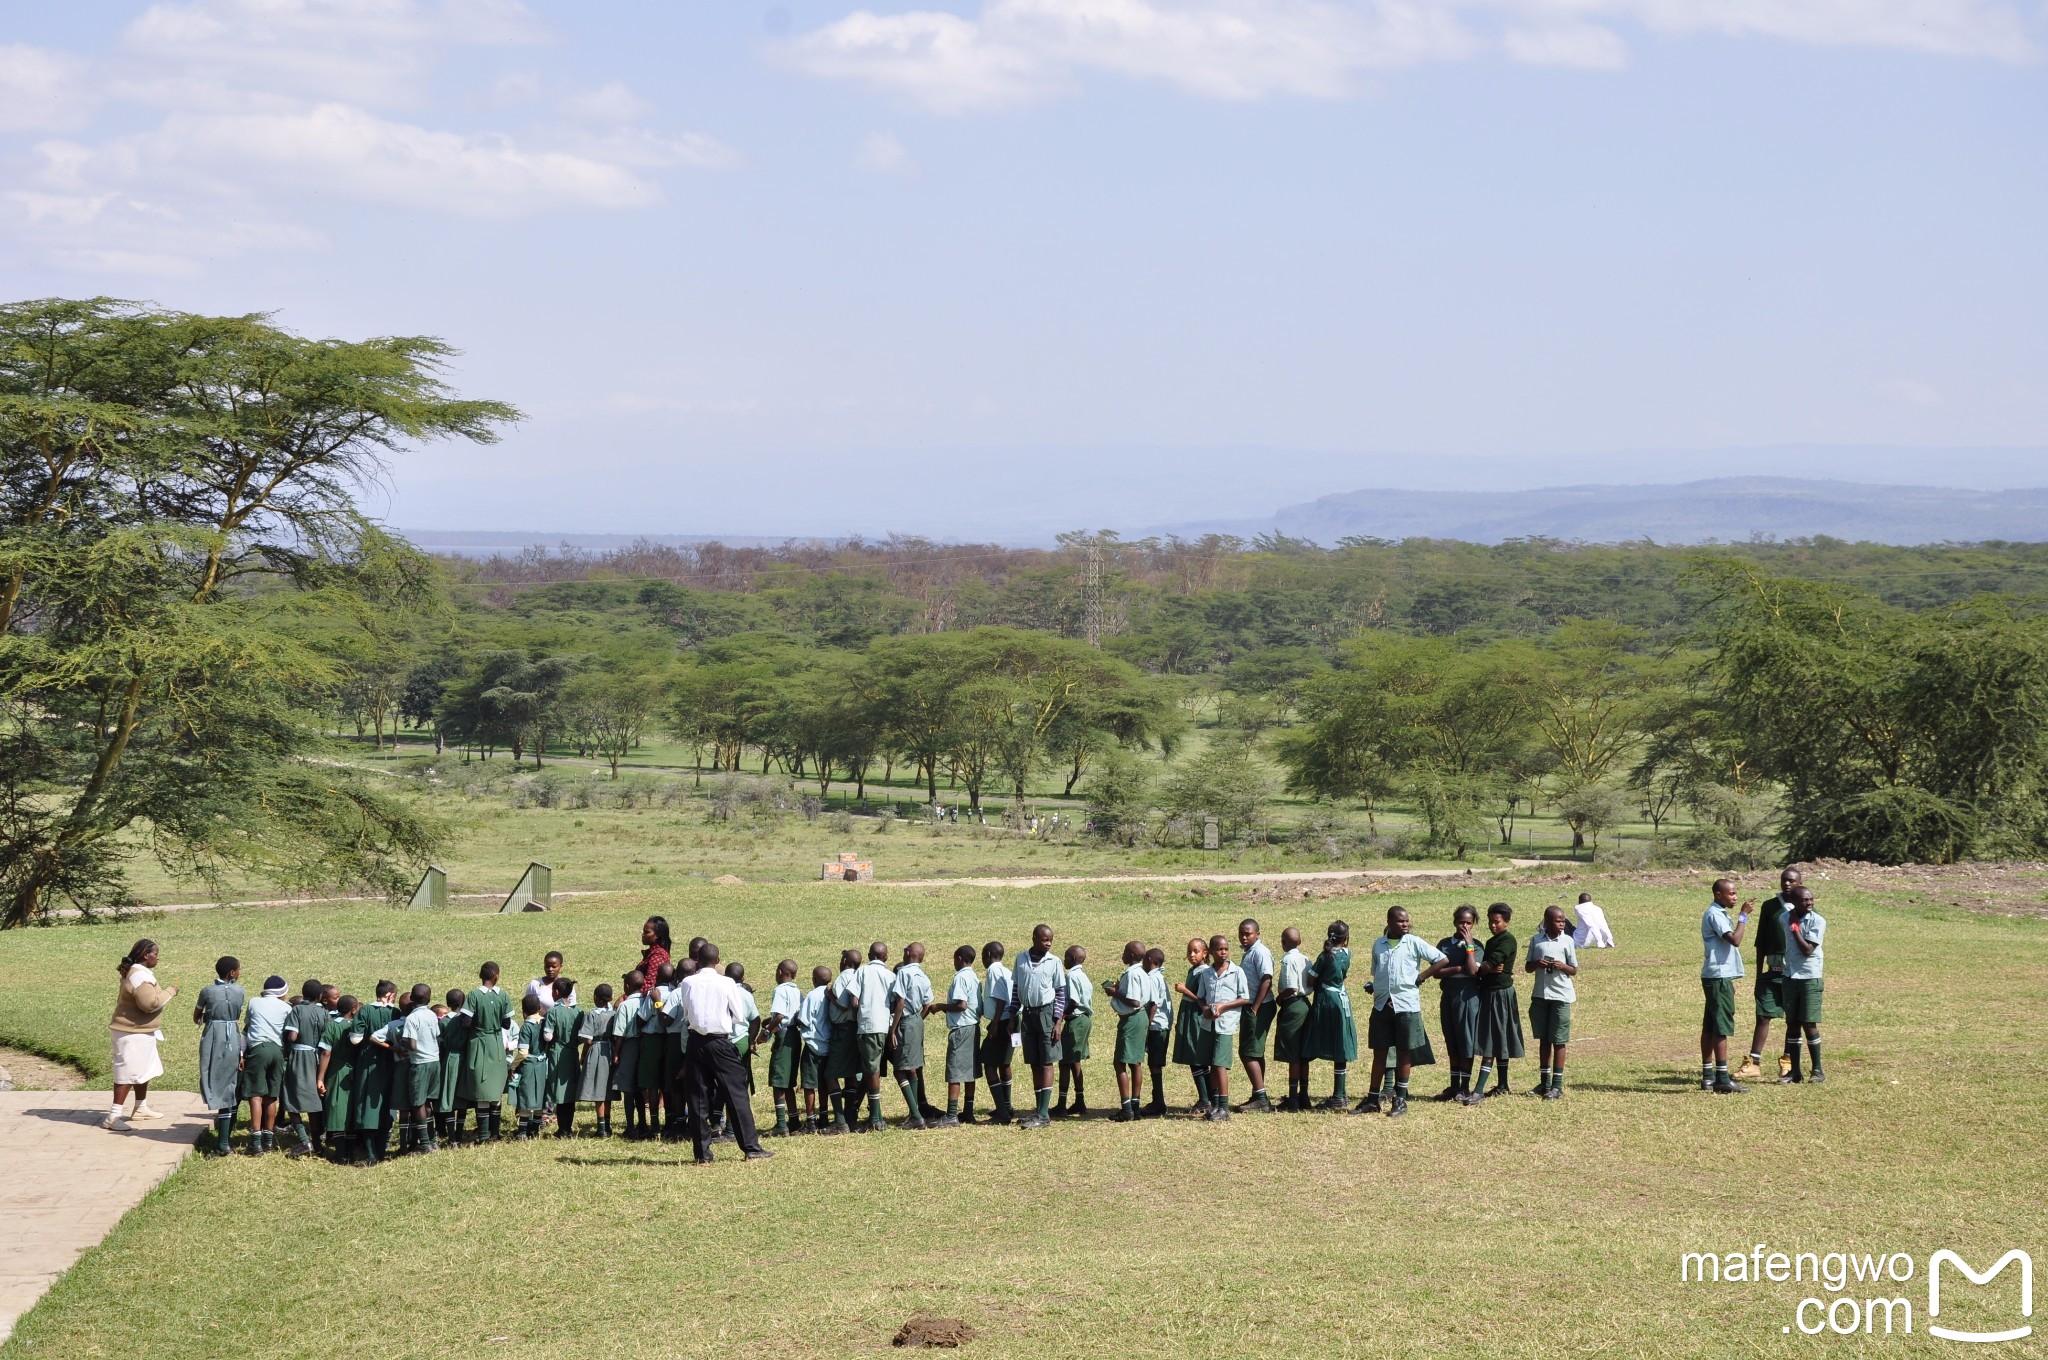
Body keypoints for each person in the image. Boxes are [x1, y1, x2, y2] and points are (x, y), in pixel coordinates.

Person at [679, 942, 773, 1164]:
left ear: (697, 961)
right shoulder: (727, 982)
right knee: (736, 1094)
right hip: (720, 1042)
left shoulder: (687, 982)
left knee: (698, 1098)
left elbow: (686, 1013)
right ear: (718, 960)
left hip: (695, 1042)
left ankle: (702, 1155)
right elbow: (739, 1016)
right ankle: (751, 1148)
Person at [1362, 907, 1446, 1117]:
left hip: (1406, 1005)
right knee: (1379, 1052)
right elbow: (1378, 973)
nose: (1405, 924)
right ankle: (1372, 1099)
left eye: (1407, 921)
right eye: (1401, 921)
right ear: (1389, 922)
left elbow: (1442, 959)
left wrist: (1422, 976)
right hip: (1382, 1005)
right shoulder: (1378, 945)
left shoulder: (1414, 942)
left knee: (1404, 1052)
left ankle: (1400, 1099)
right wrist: (1375, 988)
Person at [1737, 867, 1801, 1082]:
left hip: (1794, 973)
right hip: (1771, 970)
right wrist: (1758, 974)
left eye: (1792, 881)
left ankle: (1787, 1062)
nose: (1787, 884)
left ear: (1800, 883)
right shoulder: (1770, 907)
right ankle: (1754, 1063)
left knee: (1793, 1019)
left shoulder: (1805, 906)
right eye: (1784, 880)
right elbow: (1761, 942)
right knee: (1763, 1015)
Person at [108, 939, 176, 1130]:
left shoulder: (139, 973)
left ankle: (140, 1107)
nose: (158, 958)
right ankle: (113, 1116)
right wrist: (171, 991)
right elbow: (150, 1004)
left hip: (139, 1032)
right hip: (131, 1033)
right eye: (156, 953)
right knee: (127, 1073)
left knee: (143, 1071)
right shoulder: (140, 977)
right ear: (146, 955)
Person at [1465, 903, 1525, 1104]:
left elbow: (1493, 963)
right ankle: (1502, 1085)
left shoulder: (1507, 940)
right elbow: (1489, 965)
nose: (1492, 925)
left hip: (1500, 995)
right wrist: (1487, 968)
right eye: (1490, 921)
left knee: (1491, 1040)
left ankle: (1479, 1090)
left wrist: (1482, 967)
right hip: (1490, 992)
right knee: (1499, 1037)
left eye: (1497, 921)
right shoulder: (1492, 941)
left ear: (1506, 922)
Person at [1010, 924, 1067, 1129]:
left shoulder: (1054, 961)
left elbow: (1061, 993)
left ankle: (1044, 1114)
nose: (1049, 943)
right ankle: (1038, 1109)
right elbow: (1016, 990)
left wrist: (1058, 1021)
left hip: (1047, 1014)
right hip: (1028, 1014)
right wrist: (1011, 1015)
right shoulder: (1021, 959)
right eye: (1044, 940)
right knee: (1034, 1061)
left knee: (1046, 1062)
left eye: (1051, 940)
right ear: (1034, 938)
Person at [1700, 878, 1753, 1094]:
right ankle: (1722, 1078)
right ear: (1718, 894)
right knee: (1720, 1026)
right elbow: (1735, 940)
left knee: (1711, 1025)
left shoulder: (1719, 913)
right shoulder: (1714, 914)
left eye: (1736, 893)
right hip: (1718, 976)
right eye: (1731, 893)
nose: (1735, 897)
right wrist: (1743, 916)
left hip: (1718, 976)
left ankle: (1708, 1076)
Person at [1524, 906, 1580, 1101]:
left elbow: (1574, 969)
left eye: (1563, 921)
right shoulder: (1536, 940)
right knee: (1544, 1039)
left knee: (1559, 1039)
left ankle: (1557, 1085)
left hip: (1561, 996)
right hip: (1540, 995)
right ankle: (1544, 1082)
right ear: (1547, 921)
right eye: (1558, 921)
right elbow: (1527, 967)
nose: (1562, 924)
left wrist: (1562, 966)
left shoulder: (1567, 941)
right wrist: (1538, 963)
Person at [193, 957, 246, 1157]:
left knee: (212, 1078)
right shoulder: (239, 991)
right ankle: (226, 1135)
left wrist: (210, 1016)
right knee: (229, 1082)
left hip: (212, 1036)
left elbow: (196, 1016)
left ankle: (223, 1142)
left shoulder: (207, 991)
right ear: (232, 973)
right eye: (238, 970)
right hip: (231, 1034)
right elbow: (237, 1014)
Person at [1303, 921, 1357, 1111]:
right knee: (1340, 1042)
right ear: (1346, 938)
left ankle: (1334, 1096)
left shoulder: (1325, 956)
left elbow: (1311, 978)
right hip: (1342, 999)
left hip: (1327, 1000)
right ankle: (1340, 1093)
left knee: (1317, 1039)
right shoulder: (1347, 954)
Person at [459, 961, 515, 1141]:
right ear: (496, 975)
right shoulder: (503, 995)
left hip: (479, 1044)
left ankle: (483, 1134)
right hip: (496, 1044)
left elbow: (465, 1022)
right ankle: (495, 1133)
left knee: (481, 1089)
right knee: (495, 1089)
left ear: (481, 976)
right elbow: (506, 1023)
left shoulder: (474, 995)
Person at [1199, 935, 1252, 1122]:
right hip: (1209, 1024)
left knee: (1220, 1065)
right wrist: (1205, 1009)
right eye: (1219, 949)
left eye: (1226, 949)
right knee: (1213, 1064)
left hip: (1226, 1024)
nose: (1224, 952)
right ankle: (1215, 1104)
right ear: (1211, 952)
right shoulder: (1206, 974)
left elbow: (1244, 998)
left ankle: (1224, 1107)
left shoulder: (1236, 972)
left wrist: (1223, 1007)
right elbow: (1201, 997)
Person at [847, 942, 898, 1132]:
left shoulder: (861, 972)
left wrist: (859, 1015)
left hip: (868, 1026)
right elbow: (895, 1002)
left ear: (869, 955)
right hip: (885, 1026)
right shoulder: (890, 976)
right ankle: (870, 1112)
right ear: (886, 957)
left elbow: (854, 1000)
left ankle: (876, 1117)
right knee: (871, 1068)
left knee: (871, 1070)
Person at [1434, 907, 1483, 1102]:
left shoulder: (1477, 946)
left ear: (1473, 924)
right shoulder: (1445, 944)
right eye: (1461, 922)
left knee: (1466, 1040)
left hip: (1468, 997)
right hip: (1449, 996)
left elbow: (1472, 971)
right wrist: (1457, 968)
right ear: (1454, 922)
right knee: (1451, 1040)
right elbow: (1436, 972)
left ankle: (1465, 1086)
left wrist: (1469, 946)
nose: (1464, 926)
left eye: (1469, 923)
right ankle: (1454, 1085)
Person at [239, 975, 292, 1154]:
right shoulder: (286, 1008)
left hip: (258, 1050)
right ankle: (268, 1141)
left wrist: (241, 1054)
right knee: (271, 1096)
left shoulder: (254, 1002)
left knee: (256, 1095)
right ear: (281, 993)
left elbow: (247, 1027)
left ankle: (256, 1141)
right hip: (277, 1051)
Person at [1781, 886, 1827, 1083]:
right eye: (1804, 900)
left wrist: (1795, 928)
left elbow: (1807, 950)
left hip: (1810, 977)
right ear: (1794, 901)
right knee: (1792, 1024)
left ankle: (1817, 1070)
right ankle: (1795, 1071)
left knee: (1809, 1023)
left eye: (1811, 899)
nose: (1809, 903)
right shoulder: (1784, 918)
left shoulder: (1818, 921)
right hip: (1790, 975)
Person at [350, 981, 399, 1162]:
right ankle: (381, 1151)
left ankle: (371, 1154)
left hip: (368, 1062)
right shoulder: (395, 1012)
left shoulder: (365, 1011)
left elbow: (355, 1039)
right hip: (390, 1062)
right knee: (386, 1104)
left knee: (367, 1105)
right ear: (389, 995)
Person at [932, 944, 981, 1126]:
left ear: (959, 958)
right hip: (973, 1026)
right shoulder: (974, 977)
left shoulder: (961, 978)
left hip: (962, 1029)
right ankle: (968, 1111)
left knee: (955, 1072)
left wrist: (940, 1007)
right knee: (969, 1072)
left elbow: (961, 1005)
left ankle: (952, 1115)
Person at [281, 978, 329, 1158]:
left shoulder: (298, 1010)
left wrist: (287, 1039)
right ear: (320, 996)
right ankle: (317, 1143)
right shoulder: (324, 1013)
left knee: (291, 1100)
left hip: (299, 1058)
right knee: (314, 1103)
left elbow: (292, 1036)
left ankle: (303, 1141)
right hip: (318, 1058)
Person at [393, 982, 443, 1152]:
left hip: (420, 1063)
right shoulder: (431, 1015)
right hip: (434, 1062)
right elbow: (436, 1034)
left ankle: (424, 1143)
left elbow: (412, 1045)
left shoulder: (411, 1018)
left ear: (412, 999)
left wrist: (401, 1041)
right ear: (429, 998)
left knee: (417, 1103)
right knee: (428, 1101)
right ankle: (431, 1139)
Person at [1105, 941, 1151, 1122]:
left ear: (1131, 955)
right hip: (1141, 1018)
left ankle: (1127, 1109)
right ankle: (1135, 1105)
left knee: (1120, 1062)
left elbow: (1134, 1002)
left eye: (1125, 951)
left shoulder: (1132, 974)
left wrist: (1114, 992)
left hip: (1132, 1019)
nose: (1122, 954)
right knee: (1136, 1062)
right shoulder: (1142, 972)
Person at [1234, 919, 1276, 1113]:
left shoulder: (1260, 952)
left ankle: (1261, 1099)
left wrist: (1255, 1008)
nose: (1244, 936)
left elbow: (1266, 978)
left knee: (1248, 1052)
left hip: (1260, 1006)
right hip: (1254, 1006)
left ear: (1258, 934)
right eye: (1241, 933)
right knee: (1255, 1052)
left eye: (1248, 933)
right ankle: (1258, 1093)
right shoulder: (1250, 952)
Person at [891, 943, 934, 1130]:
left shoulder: (903, 972)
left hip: (906, 1021)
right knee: (913, 1068)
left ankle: (916, 1116)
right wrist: (918, 1019)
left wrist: (893, 1029)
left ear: (908, 953)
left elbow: (900, 1002)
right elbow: (927, 1004)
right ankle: (914, 1112)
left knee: (899, 1069)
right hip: (917, 1020)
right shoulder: (923, 976)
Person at [1172, 936, 1215, 1115]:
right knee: (1195, 1059)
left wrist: (1185, 991)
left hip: (1196, 1019)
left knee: (1197, 1058)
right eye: (1189, 951)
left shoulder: (1204, 972)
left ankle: (1206, 1099)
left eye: (1196, 951)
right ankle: (1207, 1098)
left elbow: (1201, 999)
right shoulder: (1194, 970)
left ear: (1205, 953)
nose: (1191, 954)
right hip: (1188, 1016)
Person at [315, 995, 360, 1162]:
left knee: (337, 1109)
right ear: (354, 1009)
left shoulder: (333, 1026)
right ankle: (351, 1153)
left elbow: (326, 1052)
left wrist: (320, 1078)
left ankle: (340, 1154)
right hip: (356, 1070)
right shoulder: (358, 1026)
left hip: (337, 1071)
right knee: (351, 1109)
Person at [571, 982, 618, 1138]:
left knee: (598, 1091)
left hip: (597, 1050)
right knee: (607, 1090)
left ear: (596, 998)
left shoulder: (592, 1014)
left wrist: (583, 1055)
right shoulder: (614, 1013)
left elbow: (588, 1039)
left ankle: (601, 1128)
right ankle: (608, 1125)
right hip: (610, 1050)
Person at [1272, 927, 1312, 1110]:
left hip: (1293, 1005)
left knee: (1293, 1054)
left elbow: (1289, 987)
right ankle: (1304, 1096)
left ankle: (1294, 1098)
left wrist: (1279, 999)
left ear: (1283, 942)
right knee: (1303, 1054)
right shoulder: (1306, 959)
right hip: (1305, 1004)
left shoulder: (1288, 960)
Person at [763, 960, 803, 1136]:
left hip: (784, 1035)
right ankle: (793, 1120)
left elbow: (780, 1015)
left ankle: (781, 1124)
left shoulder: (780, 990)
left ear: (780, 972)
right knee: (789, 1080)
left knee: (779, 1079)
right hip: (795, 1035)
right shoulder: (798, 992)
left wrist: (766, 1032)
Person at [825, 948, 863, 1132]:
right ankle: (850, 1117)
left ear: (846, 960)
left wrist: (829, 994)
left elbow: (843, 1004)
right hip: (855, 1029)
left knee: (830, 1074)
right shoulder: (860, 975)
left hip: (842, 1030)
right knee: (850, 1076)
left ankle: (840, 1121)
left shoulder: (844, 977)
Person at [977, 941, 1014, 1125]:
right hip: (1011, 1020)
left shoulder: (993, 970)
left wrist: (995, 1023)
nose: (982, 960)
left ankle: (1002, 1113)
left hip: (1001, 1021)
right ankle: (1007, 1105)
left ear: (990, 954)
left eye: (984, 955)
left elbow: (1000, 998)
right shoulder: (1007, 971)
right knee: (1004, 1063)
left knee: (989, 1064)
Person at [1054, 944, 1092, 1119]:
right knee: (1075, 1061)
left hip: (1075, 1021)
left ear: (1074, 959)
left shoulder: (1071, 976)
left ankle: (1061, 1105)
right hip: (1085, 1020)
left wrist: (1061, 1015)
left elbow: (1074, 1001)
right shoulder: (1084, 976)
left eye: (1067, 957)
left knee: (1064, 1063)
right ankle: (1080, 1100)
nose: (1064, 960)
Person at [798, 964, 836, 1134]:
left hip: (813, 1045)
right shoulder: (833, 994)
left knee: (809, 1084)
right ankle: (824, 1117)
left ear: (814, 979)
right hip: (830, 1045)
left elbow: (803, 1020)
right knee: (824, 1084)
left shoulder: (812, 996)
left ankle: (811, 1120)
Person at [545, 978, 582, 1138]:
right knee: (570, 1091)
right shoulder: (578, 1012)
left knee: (560, 1094)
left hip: (557, 1053)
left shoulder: (553, 1012)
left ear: (557, 992)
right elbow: (582, 1036)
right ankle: (569, 1128)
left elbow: (548, 1036)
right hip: (573, 1053)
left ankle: (562, 1129)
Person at [614, 970, 647, 1139]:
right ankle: (643, 1123)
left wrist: (617, 1052)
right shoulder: (647, 1002)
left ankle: (630, 1127)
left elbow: (620, 1032)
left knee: (628, 1089)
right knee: (640, 1088)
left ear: (627, 985)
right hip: (645, 1046)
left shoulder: (625, 1005)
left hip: (629, 1046)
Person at [511, 994, 549, 1139]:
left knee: (526, 1098)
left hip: (529, 1065)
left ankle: (522, 1132)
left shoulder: (527, 1026)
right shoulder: (544, 1023)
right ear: (539, 1008)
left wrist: (513, 1066)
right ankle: (535, 1129)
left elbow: (523, 1052)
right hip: (542, 1064)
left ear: (523, 1010)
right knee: (540, 1096)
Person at [1141, 946, 1172, 1118]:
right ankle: (1157, 1100)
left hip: (1156, 1026)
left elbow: (1153, 1004)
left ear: (1151, 960)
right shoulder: (1159, 976)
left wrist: (1147, 1025)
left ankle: (1158, 1102)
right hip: (1161, 1025)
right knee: (1155, 1063)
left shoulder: (1153, 978)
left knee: (1155, 1064)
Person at [438, 988, 470, 1145]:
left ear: (448, 1004)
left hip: (450, 1060)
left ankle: (452, 1138)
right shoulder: (466, 1021)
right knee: (461, 1097)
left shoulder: (444, 1021)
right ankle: (459, 1134)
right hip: (465, 1059)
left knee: (449, 1097)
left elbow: (440, 1044)